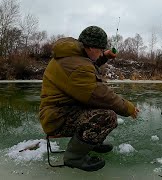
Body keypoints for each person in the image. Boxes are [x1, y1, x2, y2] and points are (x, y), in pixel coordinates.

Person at [39, 26, 139, 171]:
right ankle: (74, 157)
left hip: (62, 109)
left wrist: (104, 56)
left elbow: (88, 64)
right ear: (91, 47)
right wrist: (128, 108)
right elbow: (101, 95)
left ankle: (91, 141)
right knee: (107, 116)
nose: (100, 53)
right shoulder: (77, 66)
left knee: (101, 111)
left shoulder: (72, 56)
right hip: (56, 118)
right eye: (100, 50)